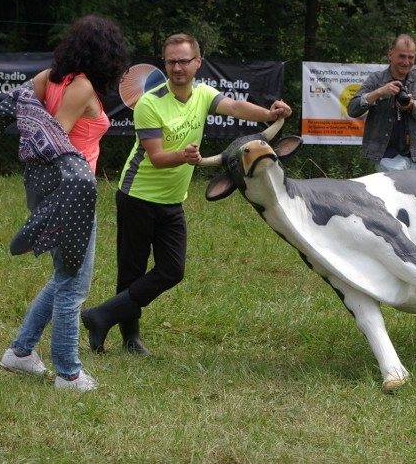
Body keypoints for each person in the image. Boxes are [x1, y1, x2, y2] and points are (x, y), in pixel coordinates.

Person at [81, 33, 292, 355]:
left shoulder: (204, 94)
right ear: (164, 64)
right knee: (132, 269)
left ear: (197, 62)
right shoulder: (150, 103)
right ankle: (130, 338)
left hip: (172, 200)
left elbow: (235, 106)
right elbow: (156, 157)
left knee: (172, 270)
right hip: (137, 195)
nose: (177, 67)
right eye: (171, 62)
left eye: (183, 61)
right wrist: (183, 156)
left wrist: (270, 114)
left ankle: (101, 315)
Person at [0, 15, 130, 390]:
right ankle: (68, 373)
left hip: (49, 191)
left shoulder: (50, 77)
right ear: (106, 54)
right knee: (74, 287)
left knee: (65, 277)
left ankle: (21, 353)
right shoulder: (81, 87)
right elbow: (55, 138)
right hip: (71, 195)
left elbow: (17, 103)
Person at [346, 34, 416, 172]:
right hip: (387, 157)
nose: (406, 62)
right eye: (401, 56)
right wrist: (379, 92)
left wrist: (412, 105)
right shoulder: (377, 79)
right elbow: (352, 109)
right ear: (390, 54)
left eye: (411, 57)